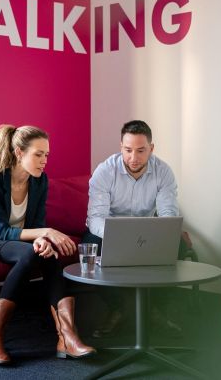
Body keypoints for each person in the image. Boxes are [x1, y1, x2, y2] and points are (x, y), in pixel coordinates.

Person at [0, 124, 95, 365]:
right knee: (31, 254)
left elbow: (36, 223)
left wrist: (43, 240)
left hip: (12, 240)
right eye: (38, 154)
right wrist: (47, 232)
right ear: (19, 152)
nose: (44, 161)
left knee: (48, 254)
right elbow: (0, 230)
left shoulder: (40, 181)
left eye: (47, 155)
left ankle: (67, 337)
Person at [83, 120, 181, 338]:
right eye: (128, 150)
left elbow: (168, 214)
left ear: (151, 149)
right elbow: (96, 217)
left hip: (147, 229)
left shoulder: (164, 172)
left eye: (140, 151)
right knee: (90, 245)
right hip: (107, 230)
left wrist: (166, 232)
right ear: (121, 147)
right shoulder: (104, 171)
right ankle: (117, 309)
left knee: (179, 245)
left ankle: (156, 310)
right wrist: (118, 236)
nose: (133, 158)